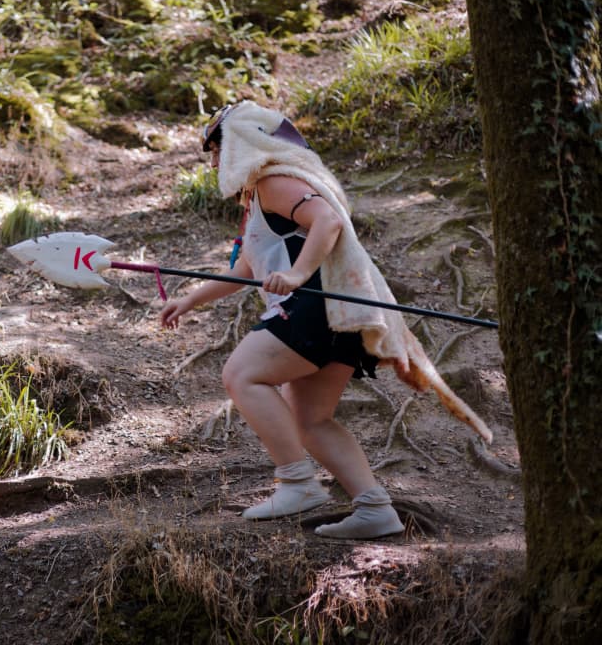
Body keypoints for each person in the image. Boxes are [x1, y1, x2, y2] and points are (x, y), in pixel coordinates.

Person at [159, 101, 482, 539]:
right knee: (309, 418)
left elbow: (326, 222)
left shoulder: (274, 182)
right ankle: (375, 509)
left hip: (318, 306)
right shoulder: (258, 196)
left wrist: (294, 274)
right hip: (335, 316)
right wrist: (189, 301)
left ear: (243, 142)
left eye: (217, 148)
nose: (215, 161)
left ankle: (297, 483)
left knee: (241, 374)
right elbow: (246, 270)